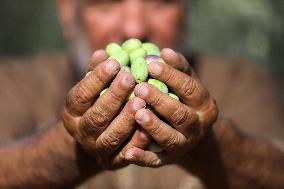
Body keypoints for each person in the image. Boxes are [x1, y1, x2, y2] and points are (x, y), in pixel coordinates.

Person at [0, 0, 284, 188]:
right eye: (108, 2)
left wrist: (205, 142)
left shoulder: (242, 82)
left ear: (187, 7)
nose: (135, 27)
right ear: (66, 9)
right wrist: (73, 146)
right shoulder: (15, 81)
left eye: (160, 2)